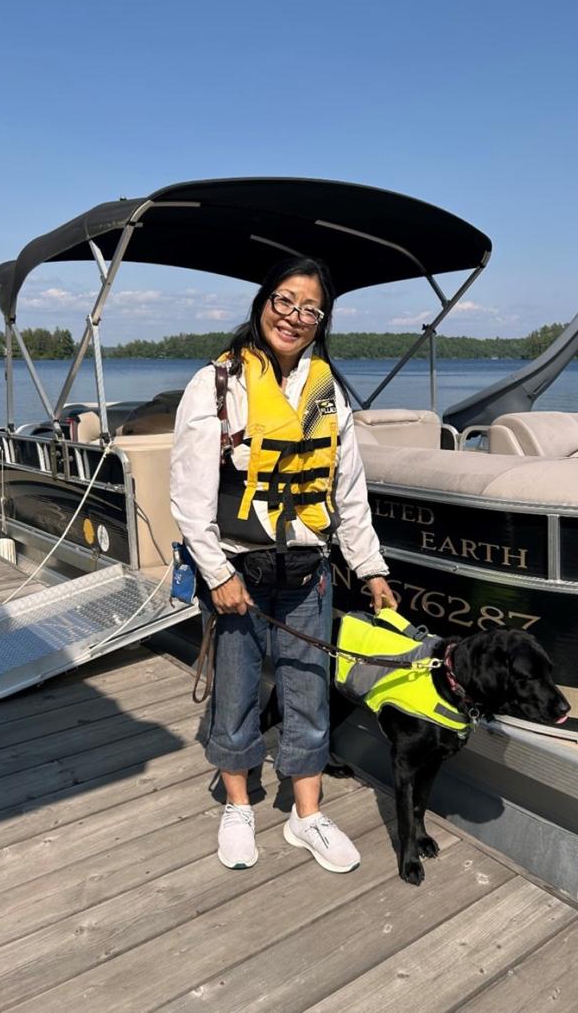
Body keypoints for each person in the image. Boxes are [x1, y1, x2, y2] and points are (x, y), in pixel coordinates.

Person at [170, 255, 396, 874]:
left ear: (321, 321)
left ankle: (306, 815)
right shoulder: (216, 384)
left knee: (307, 693)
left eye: (309, 309)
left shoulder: (329, 394)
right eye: (284, 301)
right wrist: (215, 573)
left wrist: (370, 569)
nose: (293, 317)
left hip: (308, 574)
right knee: (236, 692)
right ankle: (238, 804)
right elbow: (189, 497)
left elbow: (349, 493)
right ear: (262, 303)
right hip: (238, 571)